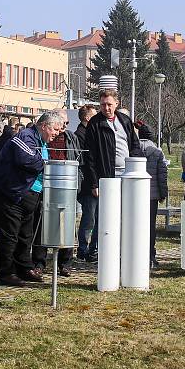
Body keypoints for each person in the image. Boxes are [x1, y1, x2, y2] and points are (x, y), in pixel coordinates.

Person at [0, 110, 63, 286]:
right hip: (7, 193)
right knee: (9, 234)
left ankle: (23, 267)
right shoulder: (26, 137)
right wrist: (47, 164)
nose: (57, 133)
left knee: (25, 234)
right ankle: (5, 272)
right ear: (44, 126)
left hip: (26, 196)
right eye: (55, 129)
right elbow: (26, 159)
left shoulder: (41, 141)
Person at [32, 109, 82, 277]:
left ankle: (65, 263)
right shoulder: (44, 138)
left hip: (66, 184)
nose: (63, 127)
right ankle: (39, 262)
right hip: (45, 184)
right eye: (61, 124)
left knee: (67, 222)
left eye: (66, 124)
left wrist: (77, 181)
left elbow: (78, 159)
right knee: (42, 222)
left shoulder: (70, 137)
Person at [83, 89, 142, 202]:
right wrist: (94, 184)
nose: (106, 108)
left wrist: (136, 170)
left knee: (127, 210)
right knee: (108, 213)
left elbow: (135, 146)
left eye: (109, 104)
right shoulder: (94, 124)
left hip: (127, 174)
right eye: (103, 105)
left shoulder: (125, 121)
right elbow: (89, 156)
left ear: (116, 103)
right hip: (107, 177)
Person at [135, 121, 168, 269]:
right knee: (150, 226)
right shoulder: (157, 152)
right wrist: (163, 193)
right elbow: (162, 175)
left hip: (135, 195)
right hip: (152, 195)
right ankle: (150, 256)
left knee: (134, 225)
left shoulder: (133, 149)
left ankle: (135, 254)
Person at [75, 104, 99, 262]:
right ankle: (83, 249)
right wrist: (92, 185)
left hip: (93, 182)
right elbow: (88, 162)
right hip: (88, 185)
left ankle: (92, 249)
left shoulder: (89, 133)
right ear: (87, 118)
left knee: (95, 217)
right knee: (89, 218)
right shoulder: (81, 135)